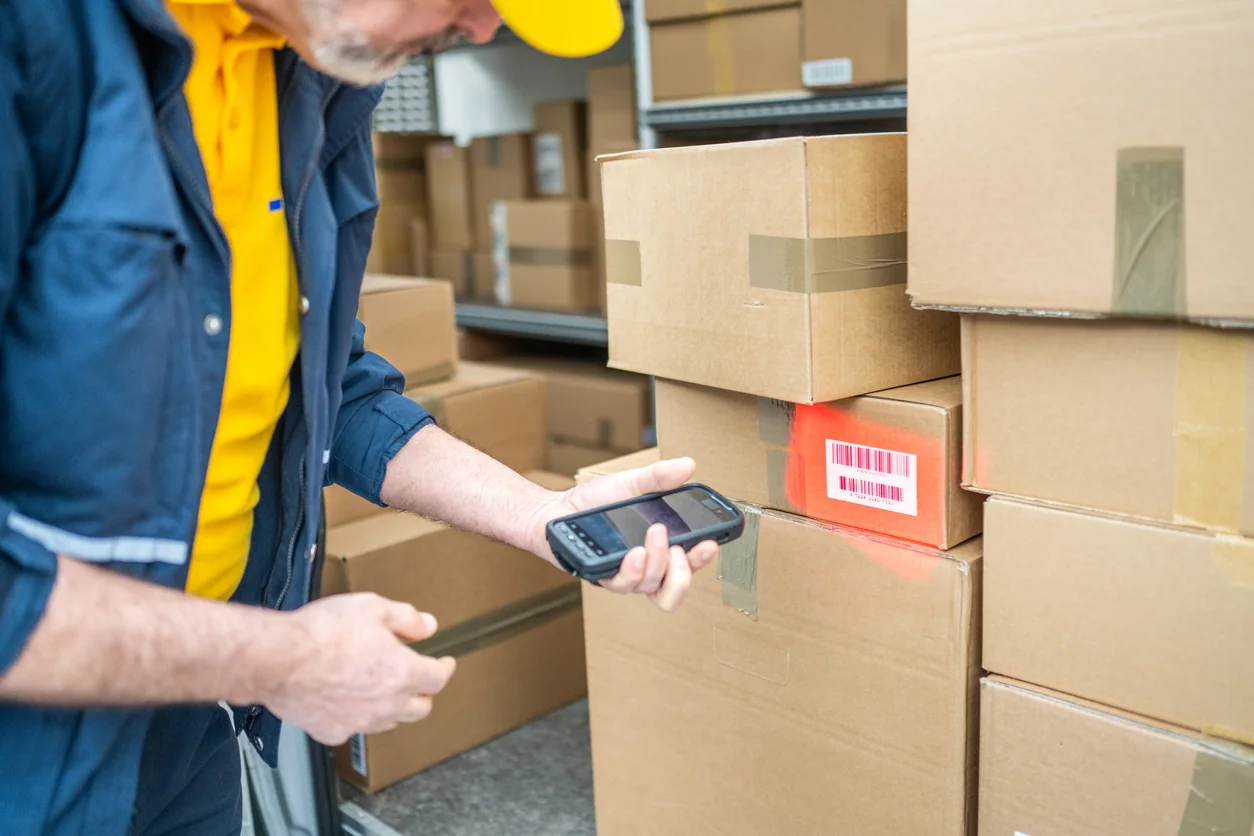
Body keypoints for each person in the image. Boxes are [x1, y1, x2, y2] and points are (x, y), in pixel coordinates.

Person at [0, 1, 717, 833]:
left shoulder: (310, 80)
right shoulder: (35, 41)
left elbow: (331, 392)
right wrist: (281, 657)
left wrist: (543, 516)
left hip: (184, 714)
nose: (483, 29)